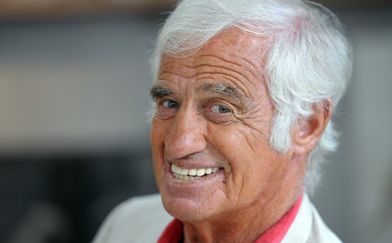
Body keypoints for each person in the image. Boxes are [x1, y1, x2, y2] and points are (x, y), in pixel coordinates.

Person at [93, 0, 353, 242]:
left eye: (220, 108)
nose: (179, 144)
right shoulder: (126, 226)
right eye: (169, 103)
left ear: (307, 125)